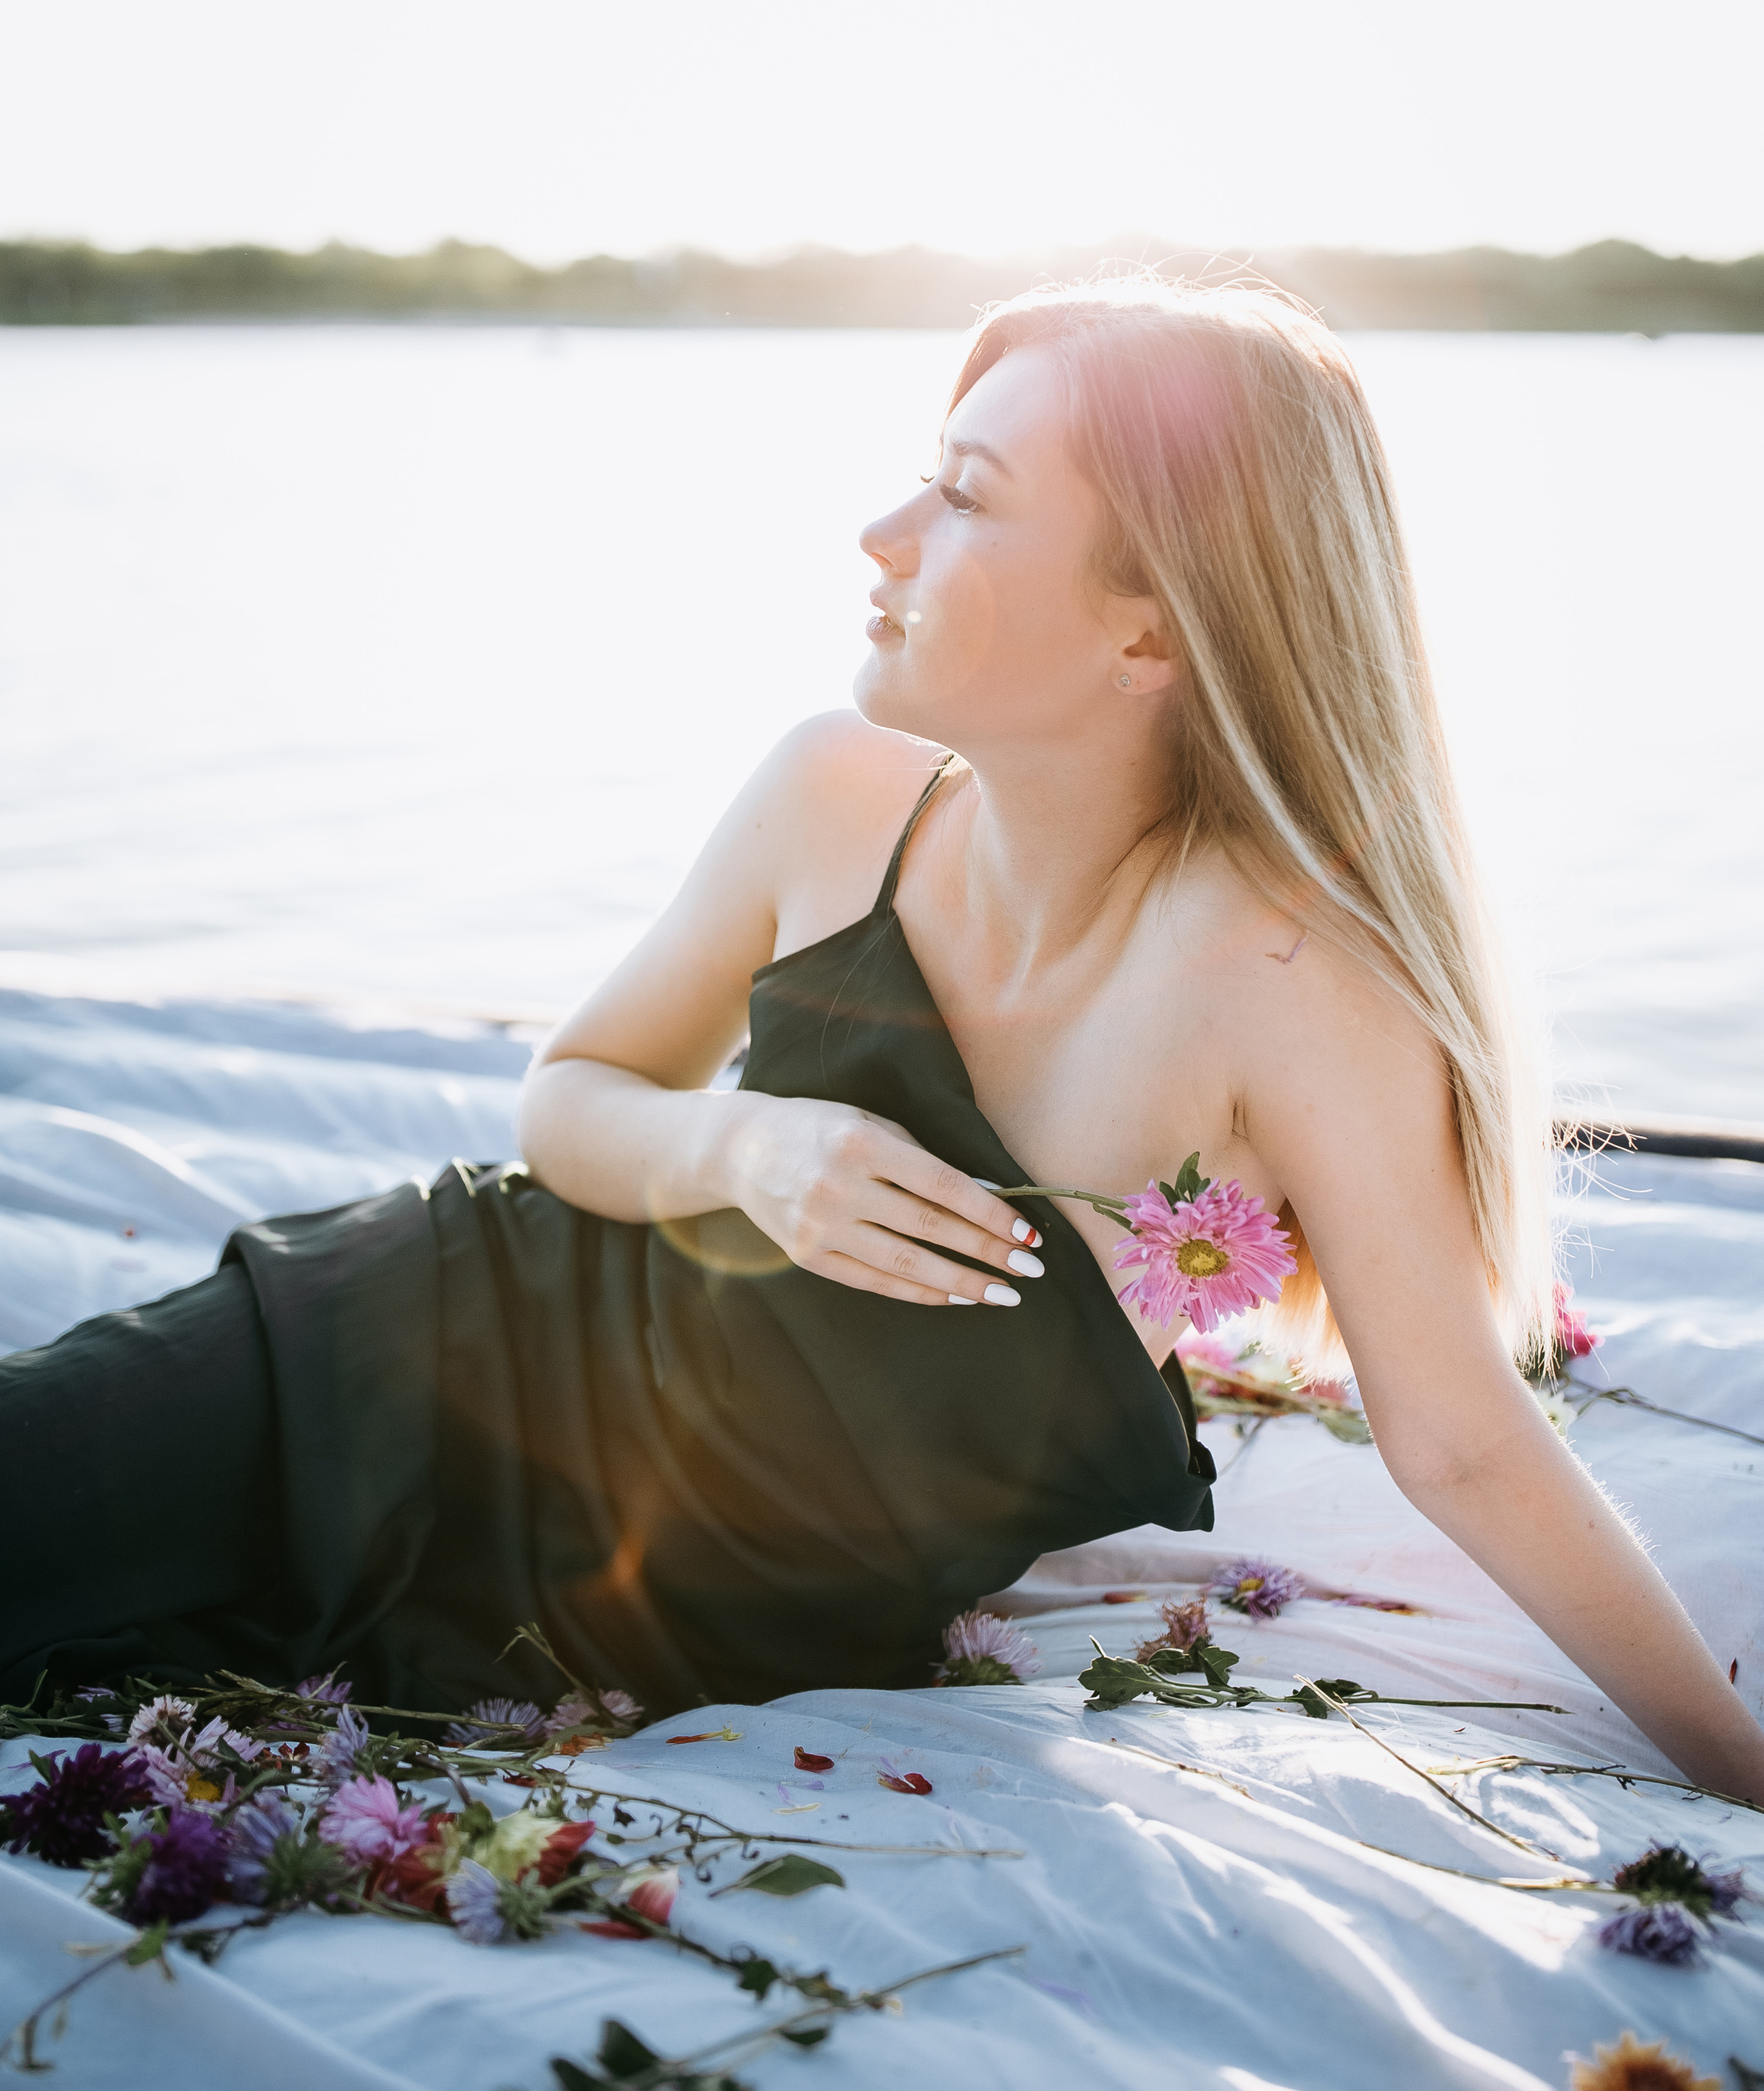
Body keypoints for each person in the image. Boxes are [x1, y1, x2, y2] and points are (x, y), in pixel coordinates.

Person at [5, 278, 1761, 1803]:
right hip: (381, 1354)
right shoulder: (834, 794)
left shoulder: (1293, 979)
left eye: (965, 495)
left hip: (654, 1619)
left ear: (1151, 623)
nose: (880, 530)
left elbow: (1458, 1439)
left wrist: (1739, 1774)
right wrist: (745, 1149)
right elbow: (570, 1102)